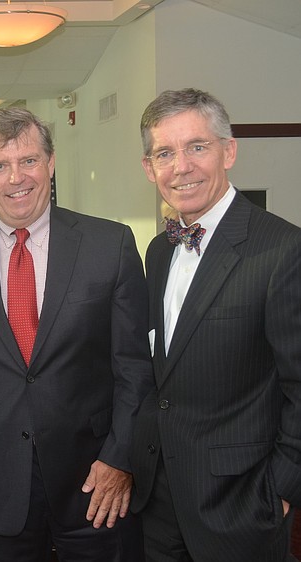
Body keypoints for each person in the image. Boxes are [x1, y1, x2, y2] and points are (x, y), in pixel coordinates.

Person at [0, 107, 153, 561]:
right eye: (0, 165)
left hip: (95, 482)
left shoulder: (109, 244)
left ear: (51, 164)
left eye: (29, 160)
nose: (17, 177)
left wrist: (120, 458)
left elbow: (135, 368)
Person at [130, 88, 301, 562]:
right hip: (160, 502)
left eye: (197, 147)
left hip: (241, 506)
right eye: (165, 153)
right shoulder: (159, 251)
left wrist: (280, 494)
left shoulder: (284, 249)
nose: (181, 166)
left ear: (229, 151)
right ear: (149, 168)